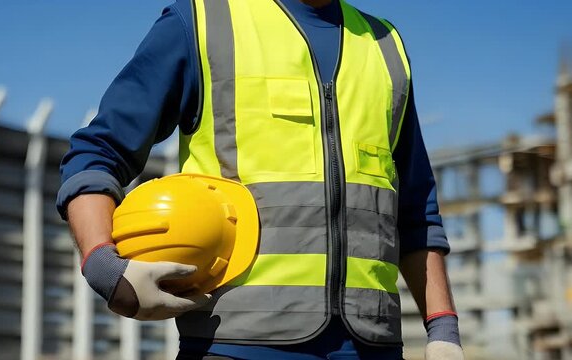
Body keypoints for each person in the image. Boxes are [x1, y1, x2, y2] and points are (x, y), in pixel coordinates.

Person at [57, 0, 464, 359]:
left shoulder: (384, 46)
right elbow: (97, 154)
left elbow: (415, 210)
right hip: (234, 343)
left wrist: (443, 329)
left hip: (374, 346)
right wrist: (102, 265)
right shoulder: (203, 20)